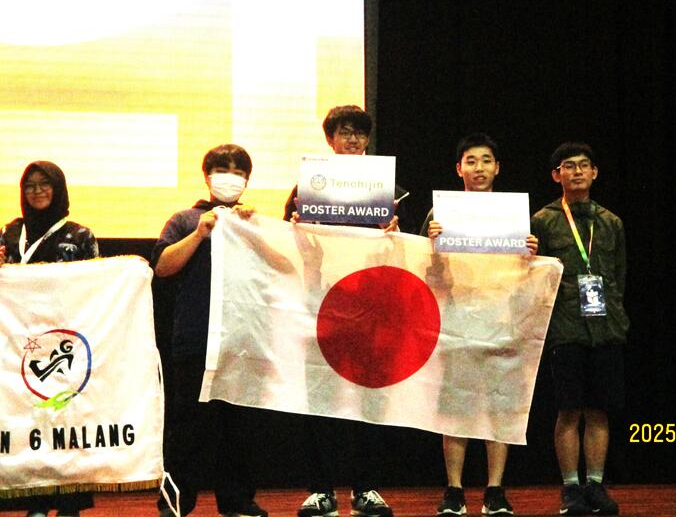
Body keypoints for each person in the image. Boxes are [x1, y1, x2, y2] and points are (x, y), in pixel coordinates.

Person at [285, 106, 400, 517]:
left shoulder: (386, 189)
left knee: (370, 404)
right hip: (321, 309)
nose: (352, 140)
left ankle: (365, 488)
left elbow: (402, 254)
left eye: (359, 134)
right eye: (344, 132)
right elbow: (289, 249)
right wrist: (296, 227)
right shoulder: (306, 188)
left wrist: (394, 233)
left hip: (371, 311)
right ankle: (321, 490)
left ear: (367, 140)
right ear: (330, 139)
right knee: (319, 403)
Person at [421, 133, 538, 517]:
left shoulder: (513, 216)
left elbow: (525, 276)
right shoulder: (439, 215)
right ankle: (454, 490)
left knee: (499, 408)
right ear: (459, 169)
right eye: (471, 161)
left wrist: (530, 255)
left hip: (501, 322)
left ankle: (495, 490)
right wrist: (431, 246)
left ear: (497, 167)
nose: (479, 168)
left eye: (486, 160)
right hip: (456, 322)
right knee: (456, 408)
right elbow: (425, 273)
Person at [152, 144, 268, 517]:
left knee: (240, 429)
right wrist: (200, 233)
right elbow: (163, 267)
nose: (229, 177)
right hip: (195, 339)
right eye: (222, 169)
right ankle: (176, 502)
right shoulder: (185, 219)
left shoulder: (254, 222)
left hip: (242, 341)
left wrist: (256, 229)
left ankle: (237, 501)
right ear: (207, 176)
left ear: (247, 179)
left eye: (238, 171)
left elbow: (282, 268)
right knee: (187, 428)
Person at [530, 142, 626, 516]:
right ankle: (571, 487)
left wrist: (614, 314)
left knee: (599, 410)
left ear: (595, 172)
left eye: (584, 165)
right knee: (568, 410)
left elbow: (619, 275)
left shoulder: (611, 222)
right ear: (557, 175)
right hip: (565, 326)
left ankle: (596, 485)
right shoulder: (543, 220)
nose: (577, 172)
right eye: (568, 166)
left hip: (605, 326)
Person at [0, 160, 99, 517]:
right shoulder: (10, 233)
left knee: (67, 423)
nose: (37, 191)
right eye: (30, 185)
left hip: (66, 341)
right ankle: (37, 503)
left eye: (45, 184)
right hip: (20, 343)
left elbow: (97, 286)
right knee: (30, 423)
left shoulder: (80, 235)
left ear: (58, 189)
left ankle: (70, 504)